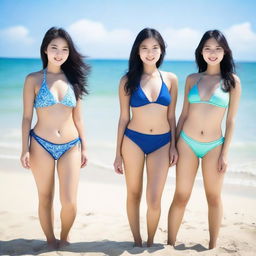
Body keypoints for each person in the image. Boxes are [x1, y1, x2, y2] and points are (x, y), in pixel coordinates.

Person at [167, 30, 241, 249]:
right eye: (208, 48)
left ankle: (212, 246)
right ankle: (170, 244)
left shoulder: (232, 81)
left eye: (218, 49)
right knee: (181, 195)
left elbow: (231, 121)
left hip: (214, 146)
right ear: (201, 51)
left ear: (225, 52)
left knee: (214, 197)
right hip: (187, 142)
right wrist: (173, 145)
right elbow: (183, 114)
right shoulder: (192, 79)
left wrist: (225, 154)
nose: (212, 53)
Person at [20, 27, 90, 248]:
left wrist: (85, 148)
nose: (59, 53)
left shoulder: (74, 79)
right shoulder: (32, 79)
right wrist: (24, 149)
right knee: (46, 197)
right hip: (41, 144)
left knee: (69, 202)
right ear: (45, 50)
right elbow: (26, 118)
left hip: (71, 145)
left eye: (64, 49)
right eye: (54, 48)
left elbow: (78, 119)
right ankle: (50, 241)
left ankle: (65, 237)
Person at [114, 28, 178, 247]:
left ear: (161, 51)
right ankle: (137, 240)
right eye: (145, 48)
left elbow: (172, 116)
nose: (150, 53)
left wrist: (174, 146)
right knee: (133, 193)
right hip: (132, 141)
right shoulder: (127, 80)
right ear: (137, 51)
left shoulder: (171, 79)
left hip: (162, 143)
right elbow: (123, 118)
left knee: (153, 200)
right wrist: (117, 154)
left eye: (155, 48)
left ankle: (151, 241)